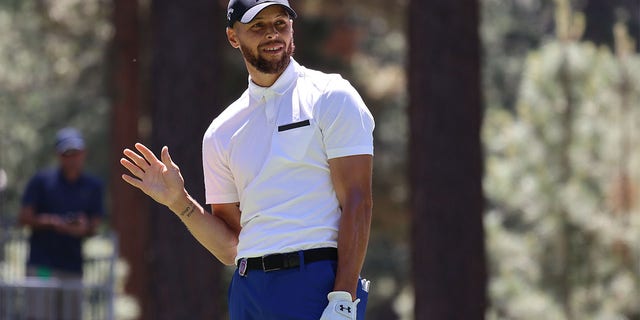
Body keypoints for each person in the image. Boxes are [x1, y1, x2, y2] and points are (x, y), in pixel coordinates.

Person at [120, 0, 374, 318]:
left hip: (314, 283)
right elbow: (230, 247)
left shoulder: (331, 96)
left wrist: (343, 298)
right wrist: (178, 201)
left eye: (280, 23)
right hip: (247, 291)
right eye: (258, 26)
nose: (272, 34)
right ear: (233, 37)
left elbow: (358, 201)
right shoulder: (221, 132)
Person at [18, 127, 104, 318]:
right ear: (58, 155)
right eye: (67, 153)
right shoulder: (41, 181)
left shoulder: (93, 186)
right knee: (39, 315)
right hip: (42, 267)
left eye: (76, 153)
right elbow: (23, 217)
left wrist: (83, 227)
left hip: (72, 267)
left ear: (84, 153)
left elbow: (94, 224)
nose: (72, 158)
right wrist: (52, 223)